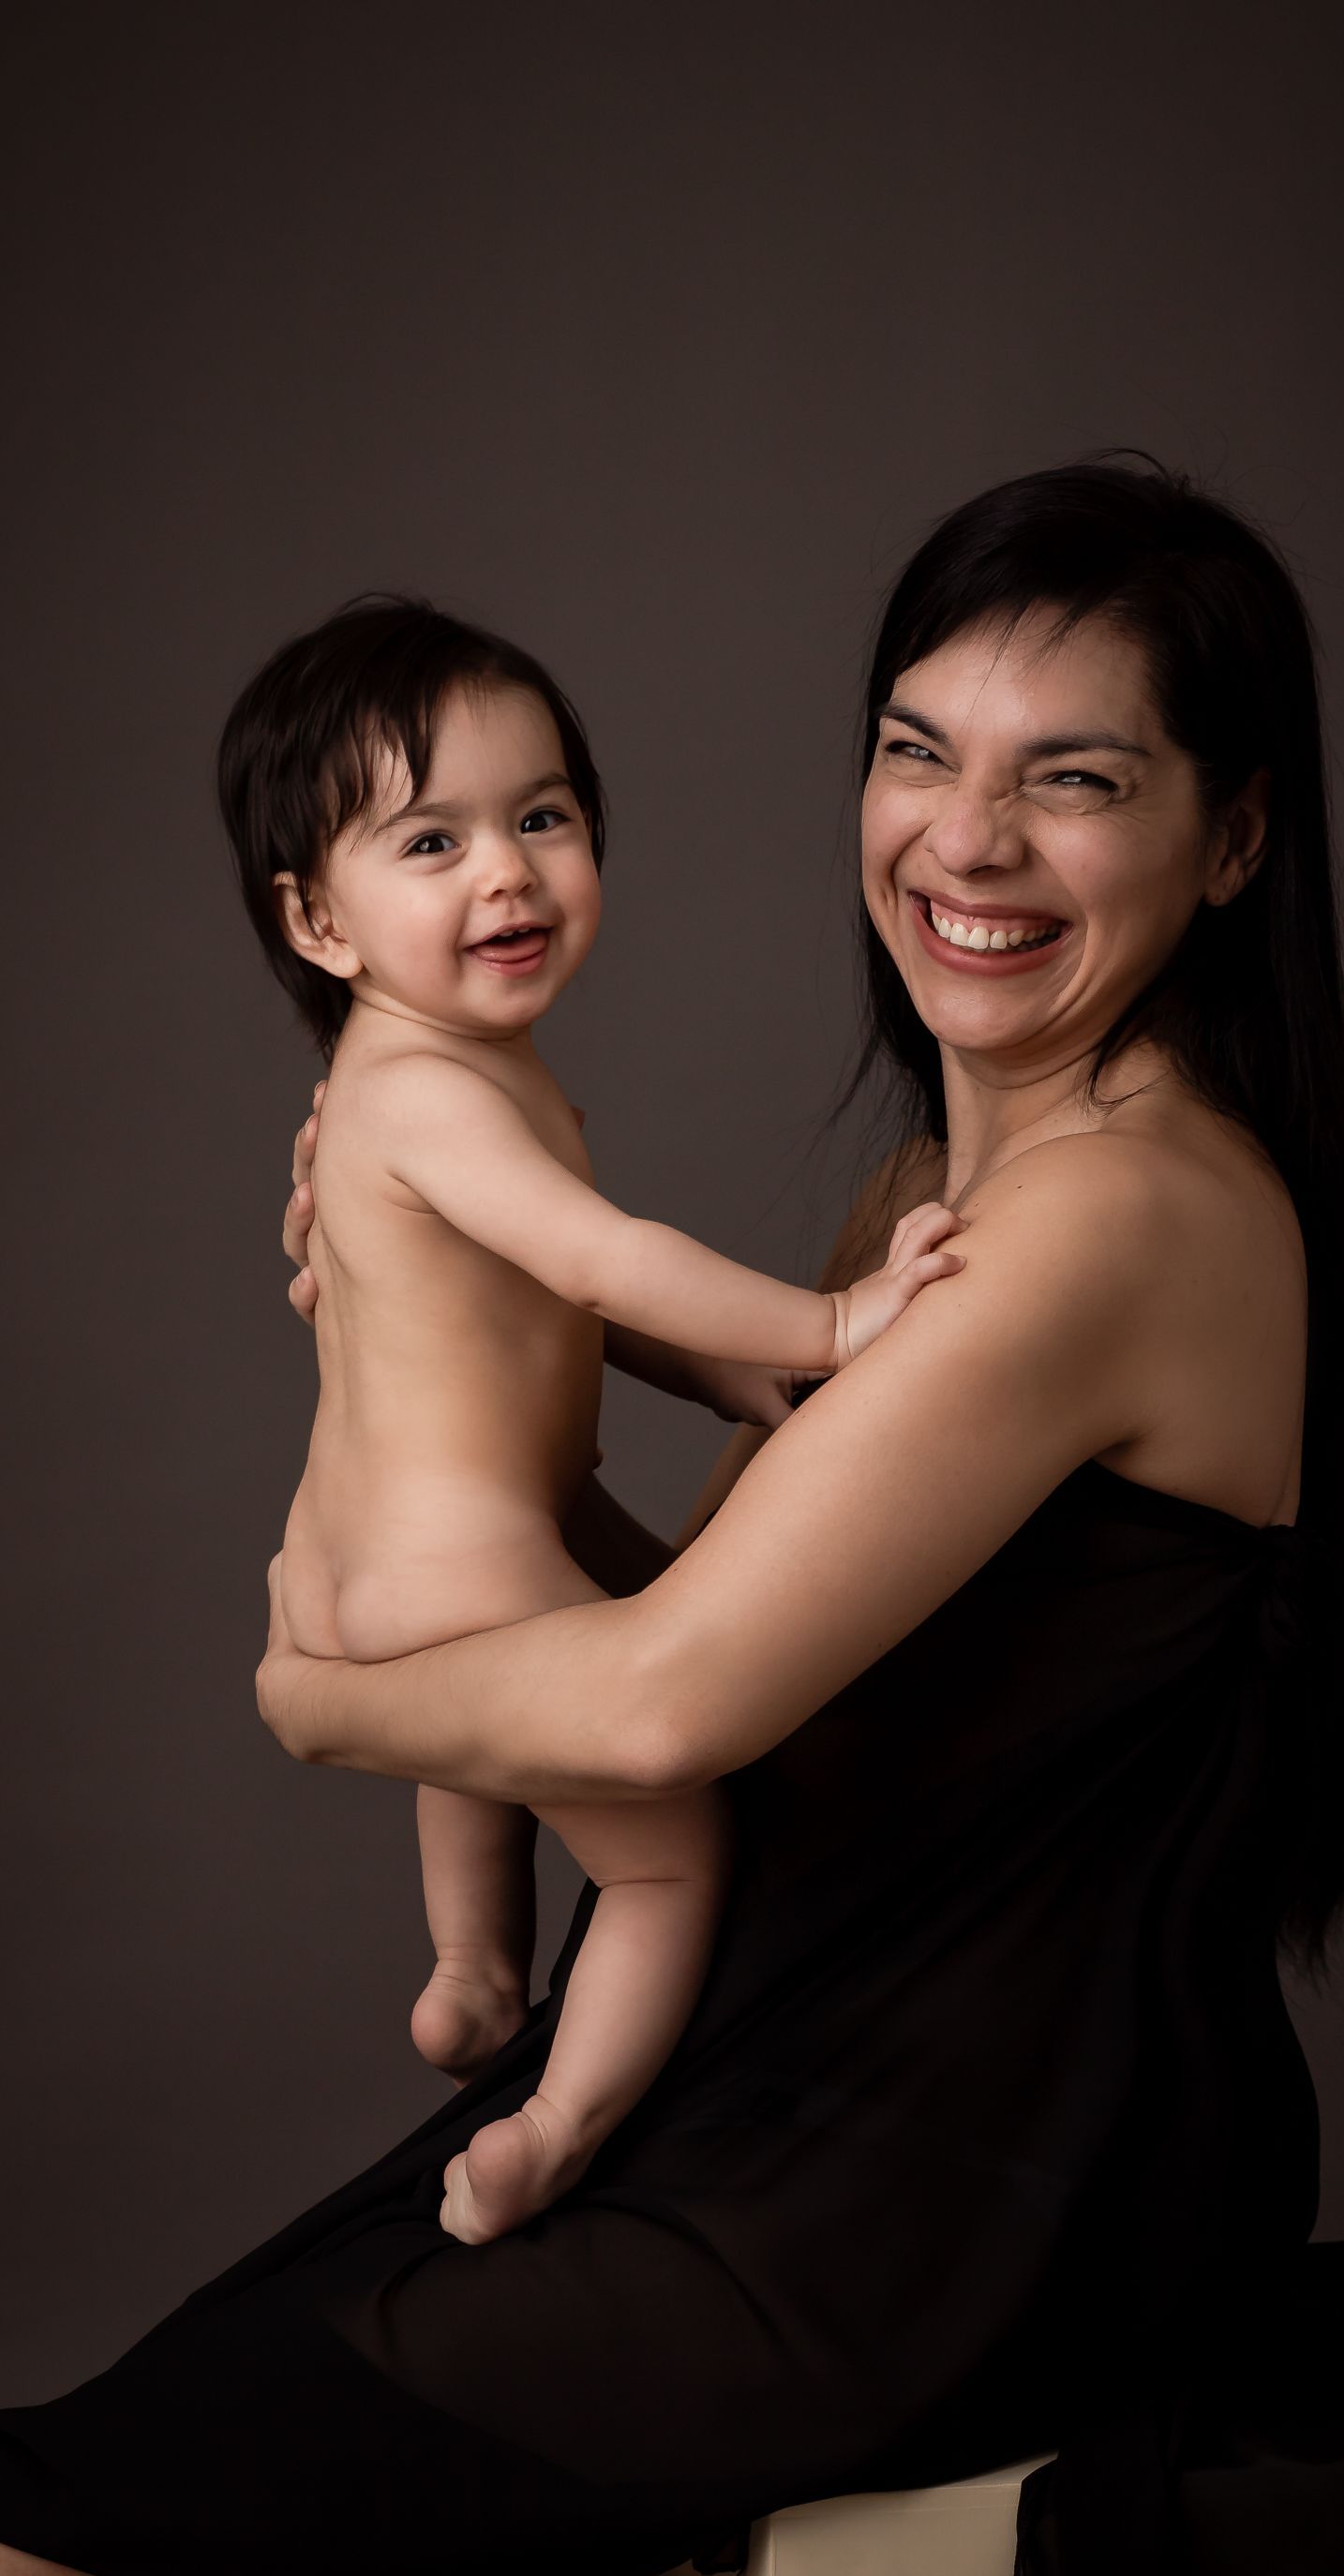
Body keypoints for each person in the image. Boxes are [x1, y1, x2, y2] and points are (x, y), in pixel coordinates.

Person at [0, 455, 1344, 2576]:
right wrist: (437, 1383)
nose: (965, 838)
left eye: (1074, 780)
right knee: (121, 2461)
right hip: (790, 2080)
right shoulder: (938, 1212)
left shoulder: (1115, 1210)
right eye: (916, 753)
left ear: (1228, 839)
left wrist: (326, 1695)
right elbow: (773, 1672)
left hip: (956, 2174)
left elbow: (663, 1710)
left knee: (105, 2517)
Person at [218, 597, 962, 2246]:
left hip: (374, 1568)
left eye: (541, 816)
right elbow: (606, 1257)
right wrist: (835, 1322)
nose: (508, 871)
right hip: (465, 1570)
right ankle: (547, 2130)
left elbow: (562, 1311)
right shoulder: (422, 1093)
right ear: (315, 921)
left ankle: (474, 1974)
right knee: (668, 1857)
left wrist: (720, 1379)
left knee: (487, 1740)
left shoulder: (413, 1080)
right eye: (430, 840)